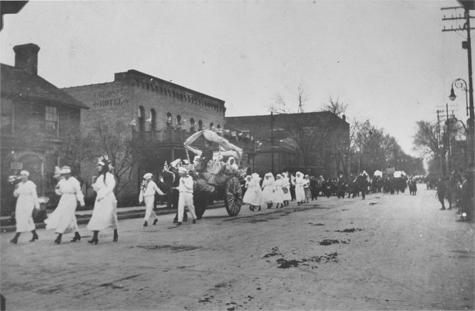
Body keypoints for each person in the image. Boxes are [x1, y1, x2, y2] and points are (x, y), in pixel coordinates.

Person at [44, 166, 85, 244]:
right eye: (64, 174)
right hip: (63, 199)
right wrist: (57, 189)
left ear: (69, 173)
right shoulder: (62, 181)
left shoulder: (74, 181)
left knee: (66, 217)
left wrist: (81, 201)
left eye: (67, 173)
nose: (66, 175)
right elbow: (59, 192)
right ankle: (77, 234)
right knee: (70, 217)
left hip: (71, 198)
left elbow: (78, 191)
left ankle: (59, 236)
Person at [87, 157, 119, 244]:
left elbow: (110, 187)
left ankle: (115, 233)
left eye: (100, 165)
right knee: (96, 216)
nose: (98, 167)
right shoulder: (99, 177)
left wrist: (103, 195)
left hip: (108, 198)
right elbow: (97, 189)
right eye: (97, 165)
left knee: (111, 216)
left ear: (104, 167)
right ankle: (95, 237)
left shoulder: (109, 176)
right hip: (100, 198)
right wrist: (94, 185)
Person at [10, 170, 40, 244]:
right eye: (22, 175)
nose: (23, 176)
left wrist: (37, 205)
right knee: (23, 218)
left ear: (28, 176)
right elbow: (15, 195)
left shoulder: (31, 184)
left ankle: (16, 237)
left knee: (24, 218)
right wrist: (16, 189)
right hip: (20, 202)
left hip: (29, 202)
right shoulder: (19, 184)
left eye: (25, 175)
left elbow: (34, 195)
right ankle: (35, 235)